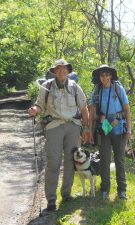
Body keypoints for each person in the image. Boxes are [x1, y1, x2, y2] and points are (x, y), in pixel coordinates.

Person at [27, 59, 89, 211]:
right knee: (53, 162)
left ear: (68, 71)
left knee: (70, 161)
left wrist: (86, 128)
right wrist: (34, 110)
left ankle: (66, 195)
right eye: (59, 69)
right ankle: (51, 199)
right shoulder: (46, 87)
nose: (62, 71)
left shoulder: (75, 87)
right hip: (53, 126)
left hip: (73, 126)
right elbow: (39, 104)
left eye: (65, 69)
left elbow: (84, 107)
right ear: (54, 71)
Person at [89, 64, 131, 200]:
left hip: (119, 128)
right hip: (104, 129)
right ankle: (105, 189)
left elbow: (127, 110)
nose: (105, 77)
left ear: (111, 75)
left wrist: (129, 130)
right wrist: (92, 126)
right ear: (99, 77)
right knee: (104, 161)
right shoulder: (96, 91)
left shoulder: (118, 88)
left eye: (107, 74)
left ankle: (122, 190)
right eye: (102, 75)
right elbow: (92, 112)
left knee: (120, 160)